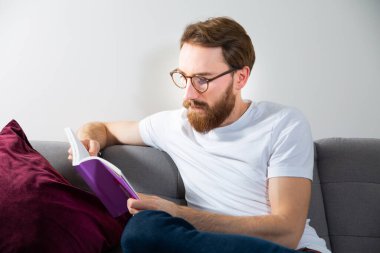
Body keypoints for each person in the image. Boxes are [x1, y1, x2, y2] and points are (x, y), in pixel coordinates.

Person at [69, 17, 330, 253]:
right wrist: (88, 139)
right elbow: (103, 128)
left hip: (290, 250)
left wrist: (177, 214)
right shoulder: (174, 125)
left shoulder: (283, 124)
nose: (188, 95)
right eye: (184, 77)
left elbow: (287, 232)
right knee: (143, 230)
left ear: (240, 78)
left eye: (202, 80)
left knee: (147, 230)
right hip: (207, 246)